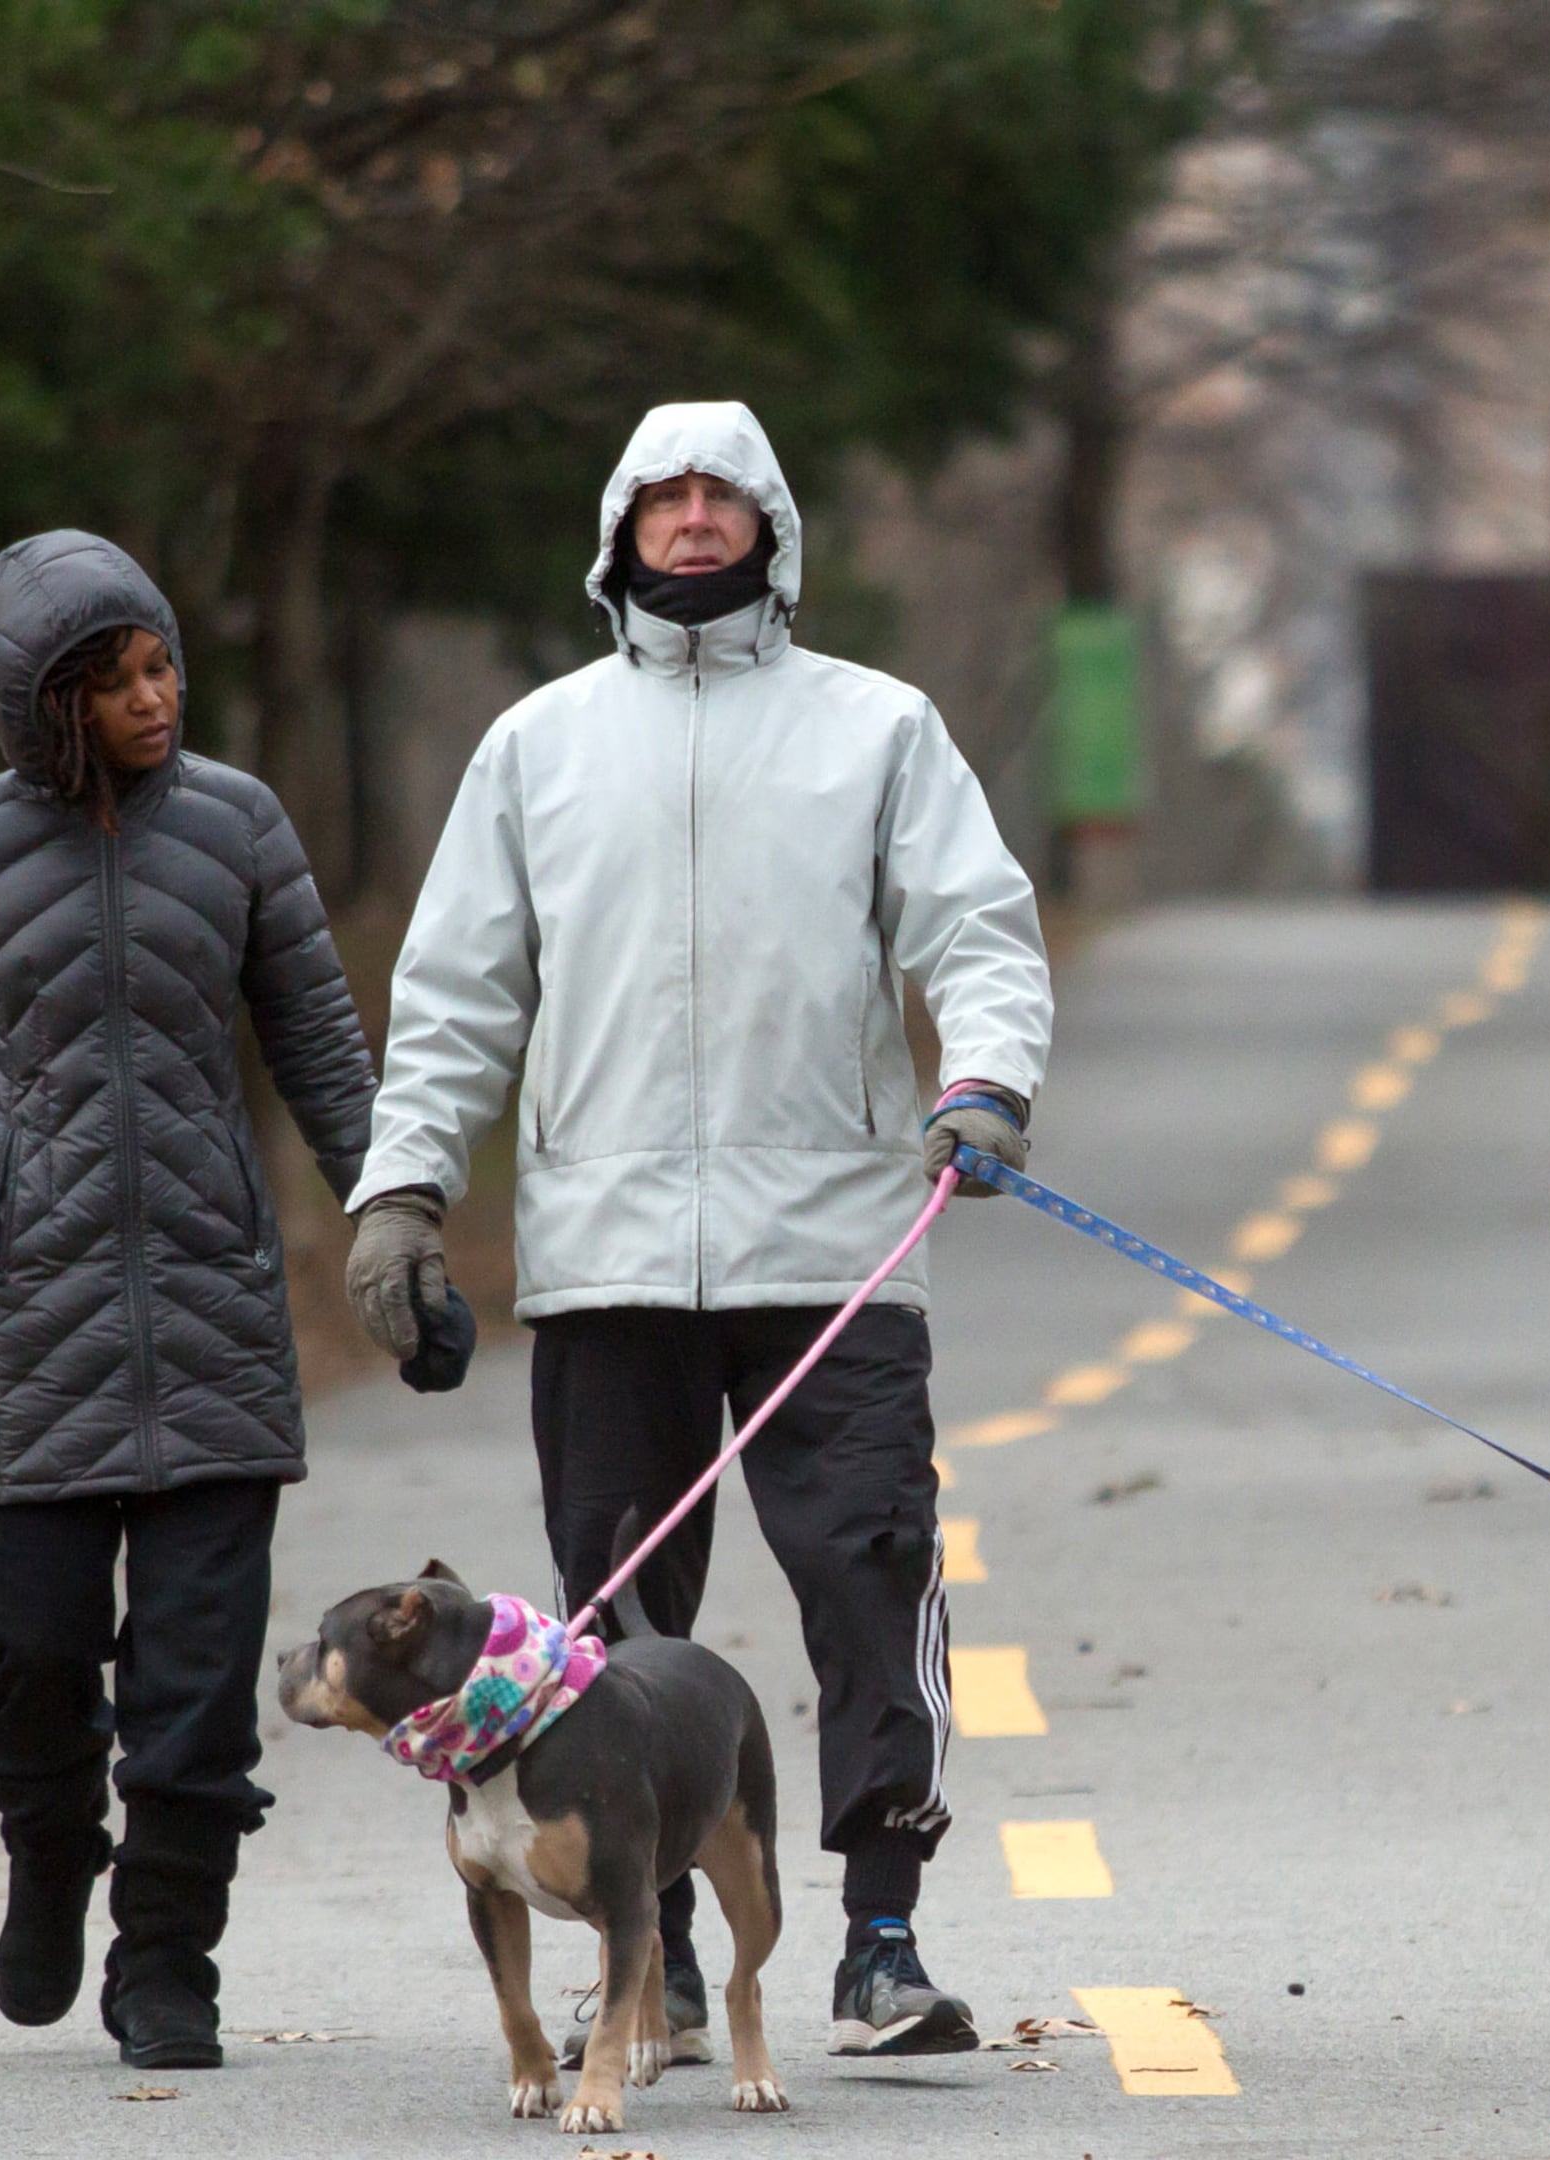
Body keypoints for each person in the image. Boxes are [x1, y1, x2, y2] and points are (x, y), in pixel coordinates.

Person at [344, 401, 1050, 2060]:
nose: (688, 519)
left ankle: (880, 1941)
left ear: (771, 525)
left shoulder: (878, 730)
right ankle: (644, 1961)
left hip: (839, 1256)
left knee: (868, 1586)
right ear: (616, 529)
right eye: (658, 496)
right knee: (610, 1634)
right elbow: (456, 996)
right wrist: (402, 1191)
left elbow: (978, 927)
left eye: (719, 494)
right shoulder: (536, 745)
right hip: (606, 1264)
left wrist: (989, 1079)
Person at [0, 531, 380, 2073]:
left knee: (193, 1697)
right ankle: (52, 1849)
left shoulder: (238, 824)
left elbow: (322, 1050)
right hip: (25, 1326)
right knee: (30, 1657)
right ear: (46, 704)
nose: (153, 699)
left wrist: (398, 1232)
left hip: (211, 1320)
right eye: (115, 683)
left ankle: (168, 1962)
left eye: (162, 665)